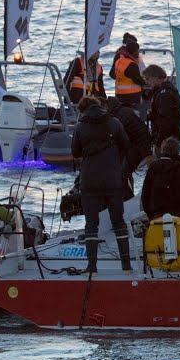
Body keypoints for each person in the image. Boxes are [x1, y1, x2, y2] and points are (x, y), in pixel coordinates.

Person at [71, 96, 132, 274]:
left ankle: (92, 267)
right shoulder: (114, 122)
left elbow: (75, 152)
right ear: (98, 106)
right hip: (113, 179)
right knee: (119, 221)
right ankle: (126, 265)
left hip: (89, 180)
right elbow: (126, 144)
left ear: (82, 110)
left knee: (91, 224)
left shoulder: (80, 126)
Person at [141, 137, 180, 221]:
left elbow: (145, 194)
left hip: (156, 214)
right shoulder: (179, 168)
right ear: (177, 151)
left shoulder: (153, 167)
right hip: (176, 215)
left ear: (162, 149)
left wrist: (150, 214)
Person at [143, 64, 180, 154]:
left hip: (167, 140)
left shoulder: (165, 95)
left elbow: (165, 121)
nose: (146, 82)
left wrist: (158, 142)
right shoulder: (161, 91)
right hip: (167, 137)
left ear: (155, 77)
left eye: (147, 79)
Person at [108, 96, 150, 179]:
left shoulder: (120, 116)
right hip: (137, 147)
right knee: (125, 173)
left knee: (123, 173)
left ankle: (125, 185)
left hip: (134, 147)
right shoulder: (124, 112)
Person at [110, 32, 145, 109]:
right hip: (132, 94)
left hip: (120, 93)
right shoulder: (126, 60)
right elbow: (136, 78)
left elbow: (113, 74)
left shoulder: (121, 57)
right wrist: (146, 82)